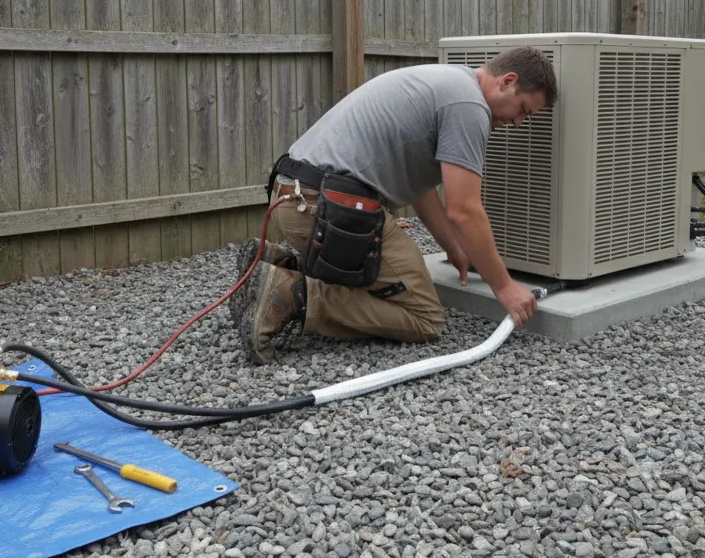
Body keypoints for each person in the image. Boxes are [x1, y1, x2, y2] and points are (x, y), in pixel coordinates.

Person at [228, 46, 559, 364]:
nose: (518, 123)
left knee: (387, 278)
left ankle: (276, 264)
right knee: (424, 316)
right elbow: (464, 210)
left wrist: (452, 247)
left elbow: (421, 189)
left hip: (295, 195)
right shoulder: (469, 106)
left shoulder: (449, 82)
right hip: (326, 208)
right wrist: (504, 286)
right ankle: (288, 294)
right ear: (507, 81)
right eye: (523, 110)